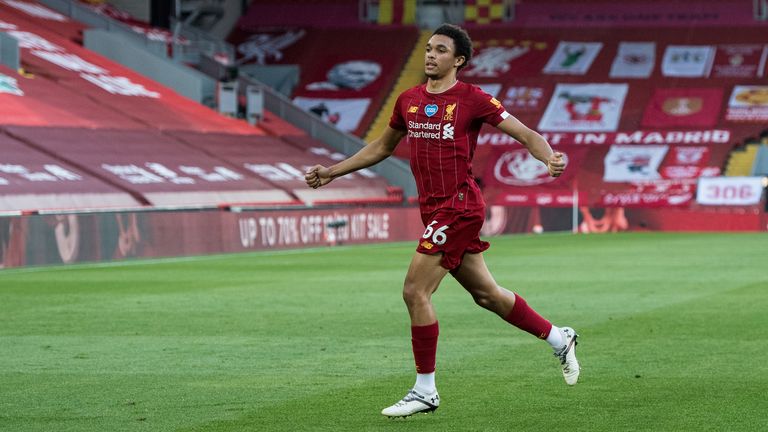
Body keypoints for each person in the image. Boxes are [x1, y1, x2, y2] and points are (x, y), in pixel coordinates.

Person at [304, 23, 579, 418]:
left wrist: (548, 157)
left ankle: (425, 390)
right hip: (434, 210)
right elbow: (383, 147)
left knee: (415, 292)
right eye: (429, 48)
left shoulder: (473, 99)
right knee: (488, 295)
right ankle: (559, 338)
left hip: (460, 206)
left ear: (459, 60)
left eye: (440, 50)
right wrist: (333, 171)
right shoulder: (408, 99)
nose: (430, 55)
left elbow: (526, 134)